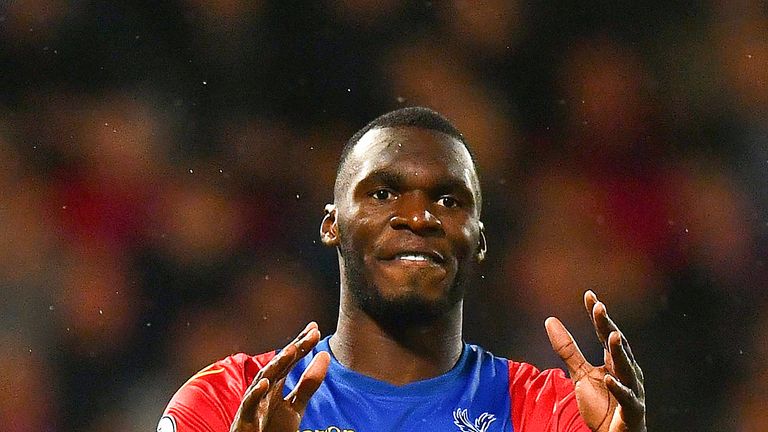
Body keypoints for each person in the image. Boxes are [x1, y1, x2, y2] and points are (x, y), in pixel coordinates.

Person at [158, 107, 646, 432]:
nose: (418, 218)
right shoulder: (230, 402)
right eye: (384, 193)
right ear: (332, 225)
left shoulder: (550, 413)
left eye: (448, 199)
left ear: (479, 240)